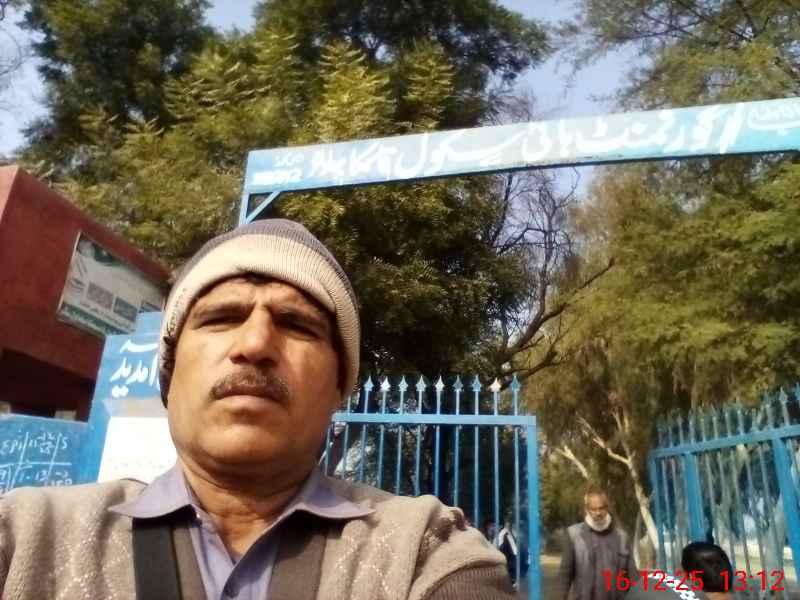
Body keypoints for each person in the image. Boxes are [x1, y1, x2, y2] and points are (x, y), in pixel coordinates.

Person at [0, 219, 515, 599]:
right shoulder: (25, 537)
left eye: (296, 324)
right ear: (168, 376)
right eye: (221, 317)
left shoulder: (423, 550)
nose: (255, 343)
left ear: (340, 386)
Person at [558, 487, 638, 599]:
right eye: (593, 509)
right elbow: (565, 575)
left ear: (607, 508)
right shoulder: (573, 536)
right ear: (586, 509)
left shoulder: (622, 537)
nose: (598, 513)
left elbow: (633, 575)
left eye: (601, 508)